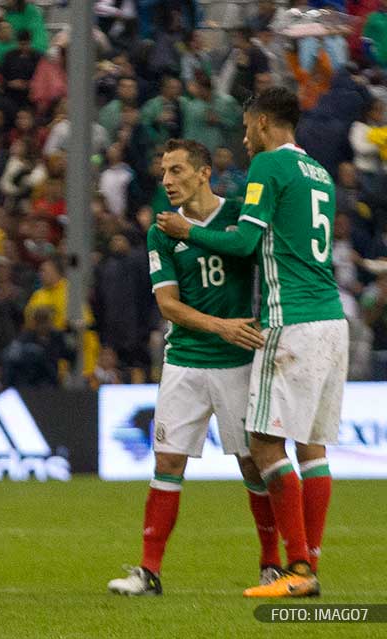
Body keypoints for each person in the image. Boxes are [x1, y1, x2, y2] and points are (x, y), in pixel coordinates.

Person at [157, 87, 346, 597]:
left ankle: (299, 569)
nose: (243, 140)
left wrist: (186, 232)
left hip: (292, 320)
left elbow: (243, 241)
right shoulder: (320, 173)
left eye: (245, 129)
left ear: (263, 124)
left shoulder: (268, 166)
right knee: (312, 446)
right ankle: (307, 567)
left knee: (263, 444)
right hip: (333, 318)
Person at [108, 139, 278, 596]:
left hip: (239, 363)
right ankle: (148, 571)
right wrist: (221, 326)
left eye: (178, 171)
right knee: (167, 462)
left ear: (204, 173)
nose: (167, 181)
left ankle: (272, 566)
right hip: (184, 361)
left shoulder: (240, 215)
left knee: (252, 466)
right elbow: (168, 305)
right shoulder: (161, 230)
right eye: (164, 172)